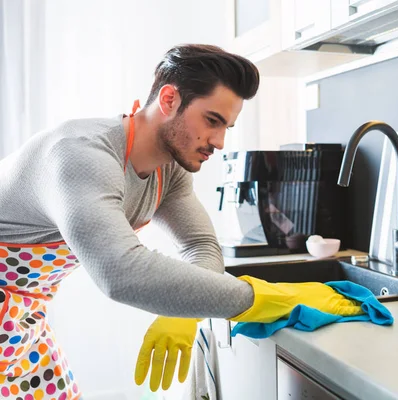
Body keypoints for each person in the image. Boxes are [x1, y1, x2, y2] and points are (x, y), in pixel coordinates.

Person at [0, 44, 364, 397]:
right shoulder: (81, 156)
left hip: (22, 321)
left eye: (227, 127)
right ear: (169, 99)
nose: (219, 142)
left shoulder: (167, 171)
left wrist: (188, 312)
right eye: (211, 121)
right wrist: (268, 298)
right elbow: (121, 273)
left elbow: (199, 245)